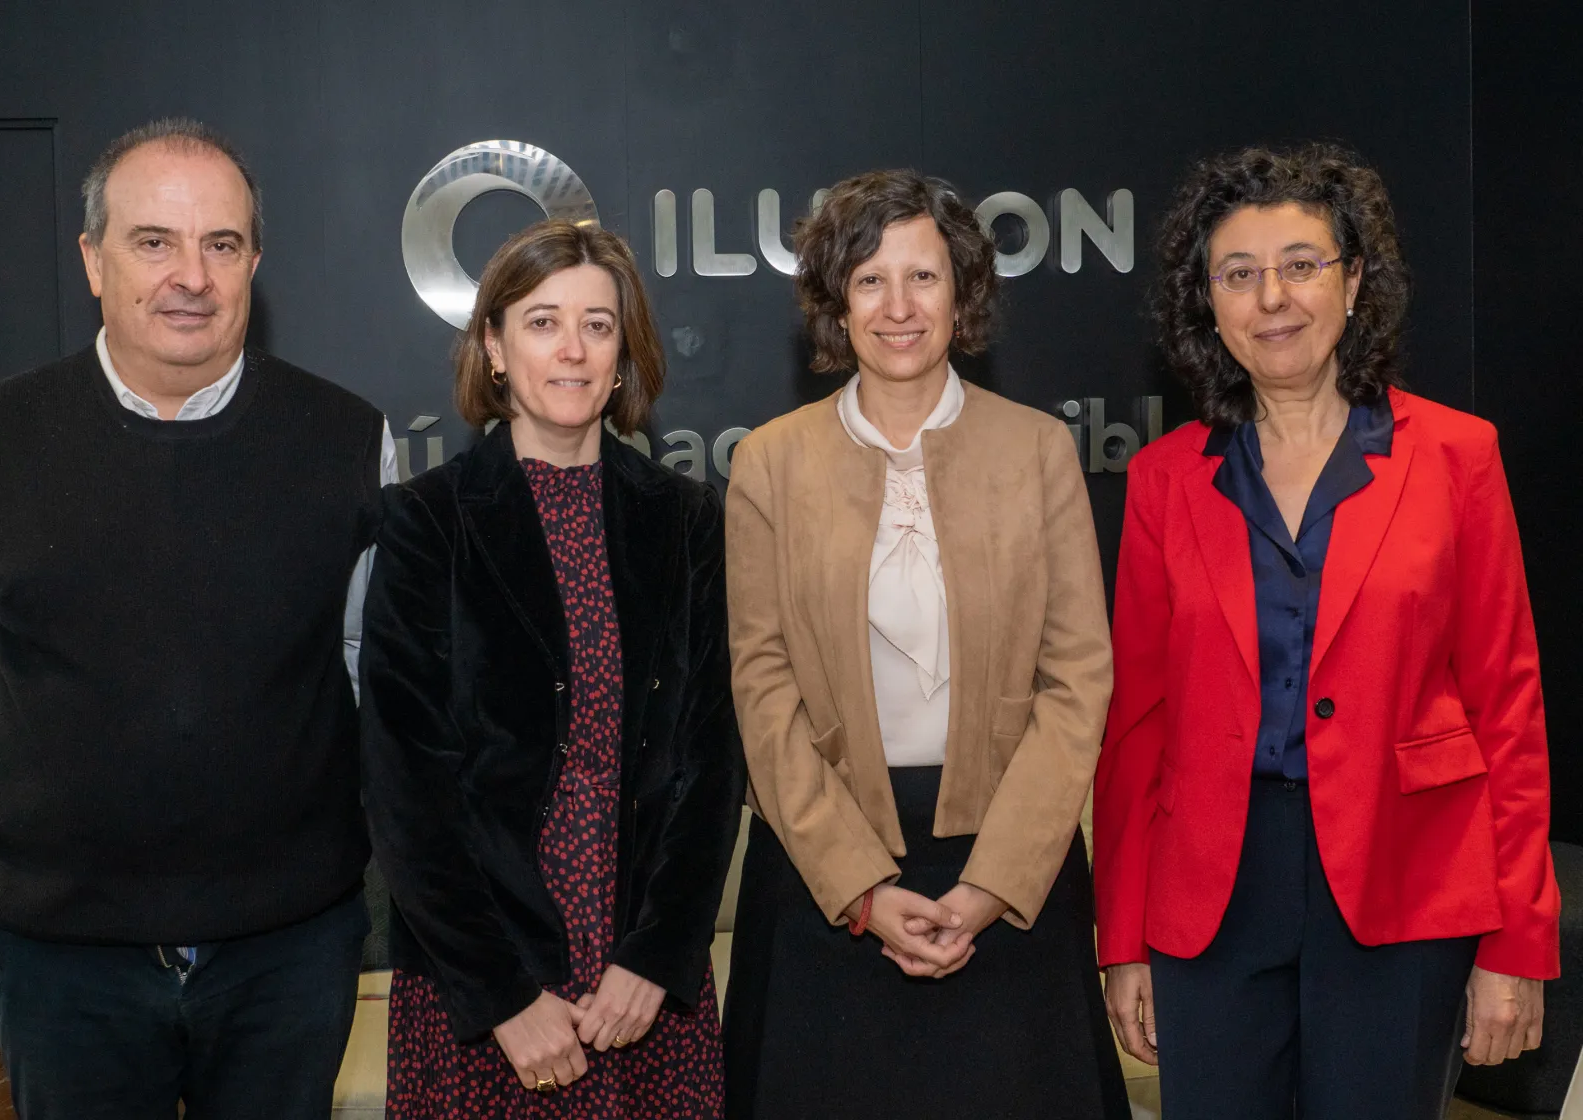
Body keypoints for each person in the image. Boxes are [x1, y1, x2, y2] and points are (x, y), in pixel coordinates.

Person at [0, 118, 398, 1118]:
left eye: (221, 244)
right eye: (153, 242)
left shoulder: (347, 436)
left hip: (287, 948)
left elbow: (359, 651)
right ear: (92, 260)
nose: (192, 276)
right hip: (61, 958)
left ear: (255, 261)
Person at [1094, 143, 1557, 1120]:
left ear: (1353, 281)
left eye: (1301, 264)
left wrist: (1518, 943)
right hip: (1213, 893)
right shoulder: (1165, 479)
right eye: (1239, 273)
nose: (1273, 297)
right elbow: (1135, 724)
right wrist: (1122, 936)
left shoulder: (1458, 457)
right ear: (1208, 303)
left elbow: (1508, 715)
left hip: (1406, 882)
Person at [722, 169, 1129, 1119]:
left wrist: (995, 882)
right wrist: (860, 886)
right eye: (869, 279)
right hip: (828, 876)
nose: (898, 307)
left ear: (963, 294)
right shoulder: (770, 462)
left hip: (1011, 874)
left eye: (924, 278)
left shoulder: (1037, 450)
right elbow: (761, 684)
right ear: (835, 302)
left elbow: (1078, 679)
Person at [361, 218, 744, 1118]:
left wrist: (657, 958)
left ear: (625, 353)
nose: (572, 349)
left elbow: (711, 758)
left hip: (643, 985)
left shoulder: (685, 518)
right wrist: (502, 995)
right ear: (493, 347)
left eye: (598, 325)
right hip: (482, 985)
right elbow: (404, 782)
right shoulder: (427, 522)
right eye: (541, 322)